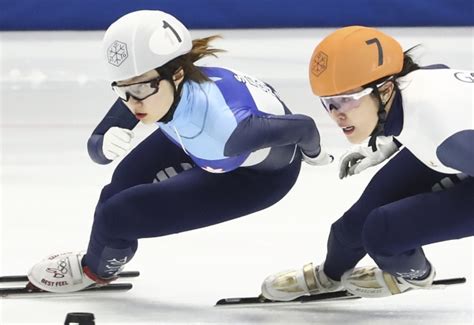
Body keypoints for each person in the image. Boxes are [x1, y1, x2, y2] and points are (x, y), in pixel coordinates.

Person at [26, 10, 332, 292]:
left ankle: (95, 271)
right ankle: (109, 255)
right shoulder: (156, 86)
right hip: (198, 136)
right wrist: (101, 143)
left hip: (258, 178)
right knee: (120, 182)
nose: (132, 104)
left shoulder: (226, 133)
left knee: (116, 217)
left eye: (141, 89)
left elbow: (303, 127)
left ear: (176, 75)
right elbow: (99, 147)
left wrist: (316, 155)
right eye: (122, 90)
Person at [261, 25, 473, 300]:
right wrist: (391, 141)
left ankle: (417, 275)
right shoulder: (410, 86)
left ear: (385, 90)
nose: (336, 115)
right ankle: (331, 275)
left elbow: (444, 127)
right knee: (352, 227)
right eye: (329, 103)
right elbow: (440, 72)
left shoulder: (447, 140)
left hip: (457, 145)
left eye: (347, 100)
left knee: (384, 232)